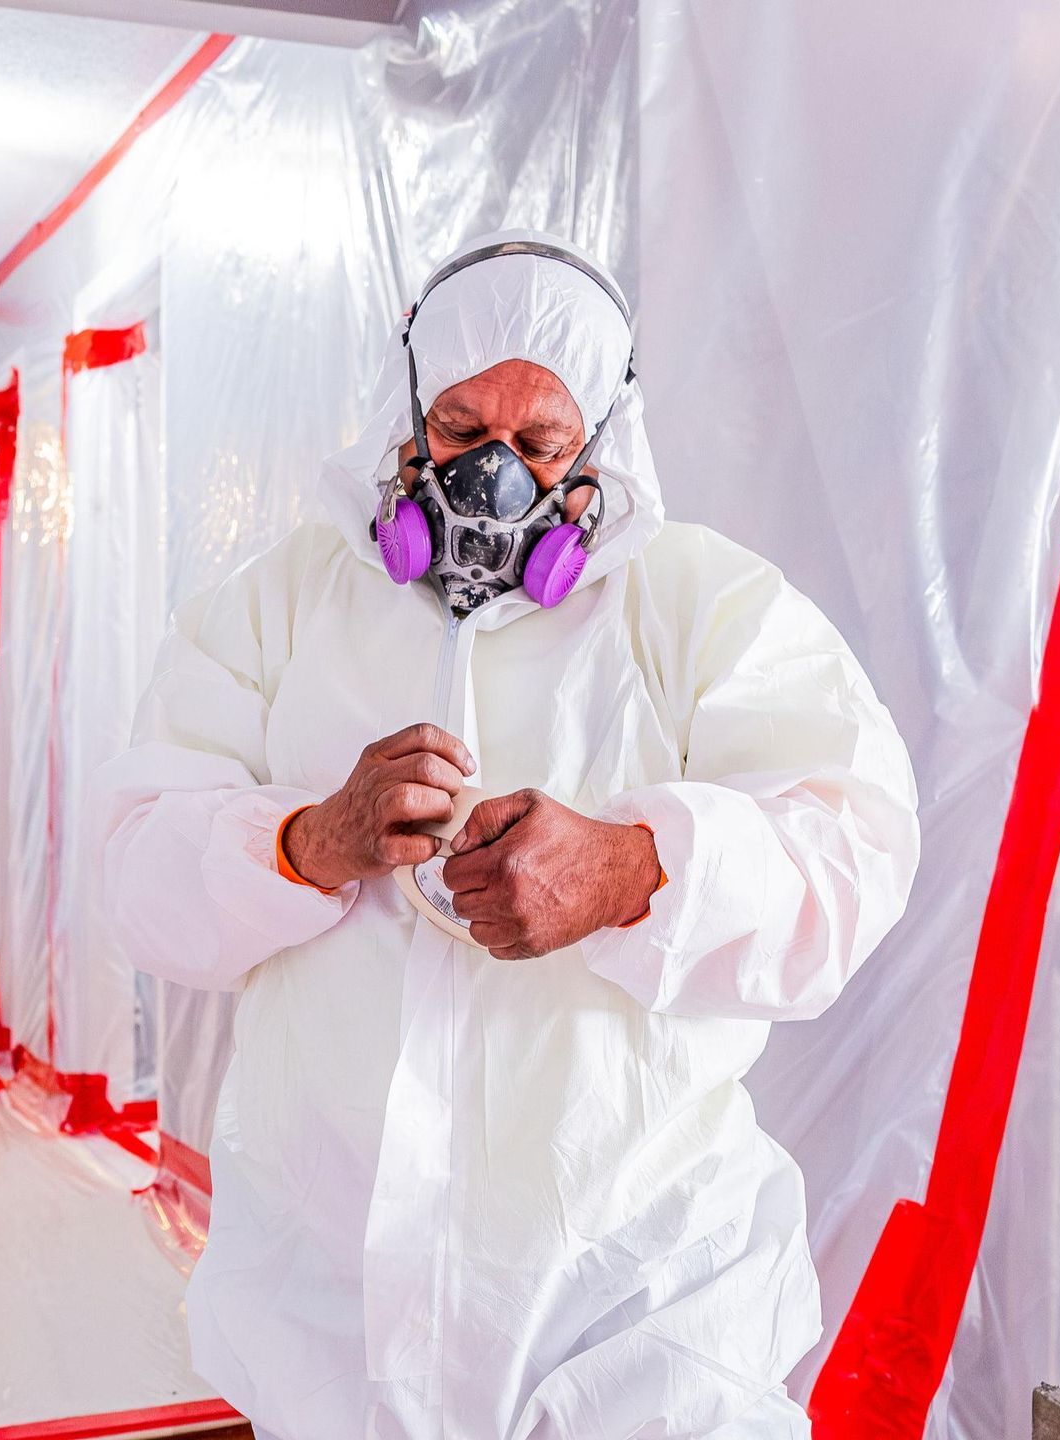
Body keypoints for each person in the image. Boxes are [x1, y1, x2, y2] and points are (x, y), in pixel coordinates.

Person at [94, 231, 920, 1439]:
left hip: (642, 1306)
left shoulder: (701, 603)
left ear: (600, 451)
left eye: (538, 443)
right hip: (334, 1317)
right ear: (404, 418)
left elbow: (858, 853)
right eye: (460, 426)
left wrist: (635, 871)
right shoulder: (276, 606)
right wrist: (307, 842)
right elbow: (135, 874)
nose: (494, 475)